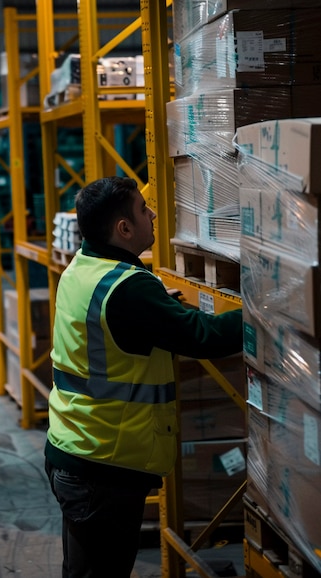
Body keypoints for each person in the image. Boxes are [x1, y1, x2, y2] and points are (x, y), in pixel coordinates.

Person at [44, 176, 243, 578]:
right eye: (142, 209)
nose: (152, 212)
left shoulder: (83, 267)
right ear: (124, 229)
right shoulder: (128, 289)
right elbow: (204, 337)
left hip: (78, 449)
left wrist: (155, 312)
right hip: (103, 466)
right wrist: (266, 310)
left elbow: (116, 322)